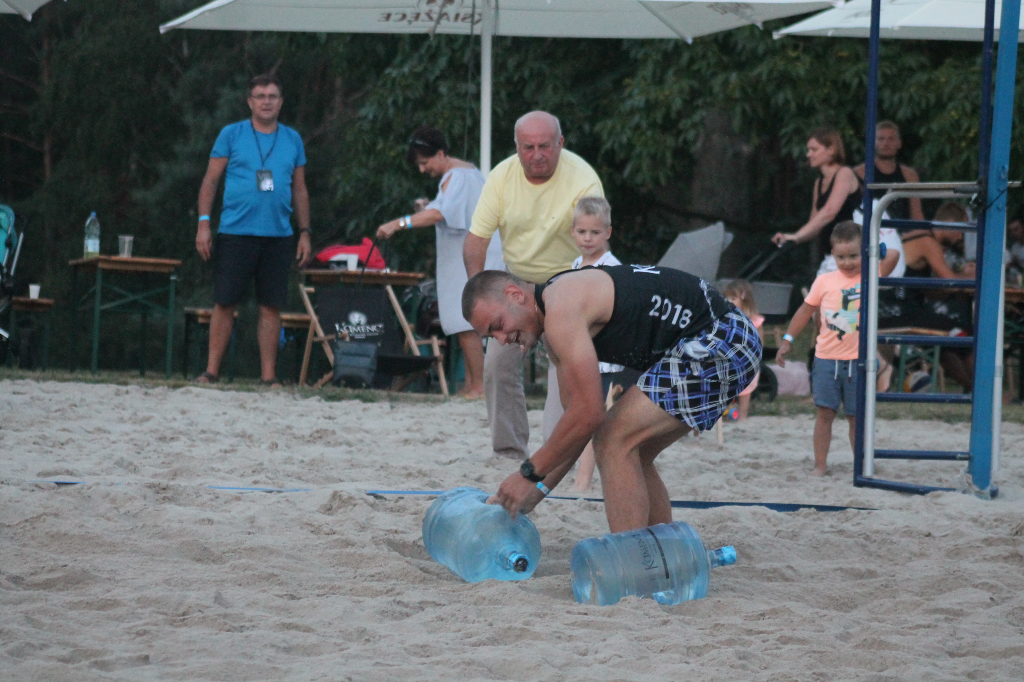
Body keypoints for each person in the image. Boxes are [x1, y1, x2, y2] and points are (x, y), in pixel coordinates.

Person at [463, 265, 762, 533]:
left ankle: (635, 565)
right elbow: (575, 430)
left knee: (613, 439)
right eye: (491, 337)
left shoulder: (562, 308)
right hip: (720, 336)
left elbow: (589, 415)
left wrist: (527, 474)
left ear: (515, 294)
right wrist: (531, 494)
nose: (501, 339)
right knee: (633, 450)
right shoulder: (554, 319)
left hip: (721, 336)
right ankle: (664, 553)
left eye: (497, 325)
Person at [463, 110, 604, 459]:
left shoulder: (584, 179)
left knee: (566, 366)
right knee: (497, 362)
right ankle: (508, 452)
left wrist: (581, 300)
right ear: (516, 146)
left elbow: (596, 242)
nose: (537, 155)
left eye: (545, 146)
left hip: (569, 282)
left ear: (561, 143)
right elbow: (476, 241)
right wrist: (479, 293)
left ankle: (558, 454)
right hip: (518, 284)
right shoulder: (501, 177)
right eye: (528, 147)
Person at [195, 73, 311, 387]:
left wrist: (304, 231)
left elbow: (300, 190)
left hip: (279, 235)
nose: (266, 101)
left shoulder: (292, 139)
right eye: (260, 96)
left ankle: (269, 376)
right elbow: (210, 180)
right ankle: (211, 371)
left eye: (272, 96)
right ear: (249, 101)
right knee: (225, 301)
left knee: (271, 305)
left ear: (281, 101)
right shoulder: (231, 134)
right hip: (235, 231)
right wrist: (204, 223)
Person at [375, 126, 503, 398]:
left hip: (466, 259)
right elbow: (445, 212)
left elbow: (439, 214)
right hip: (470, 256)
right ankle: (470, 384)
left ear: (441, 153)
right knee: (464, 321)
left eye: (425, 162)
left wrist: (399, 223)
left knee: (464, 321)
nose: (422, 170)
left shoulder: (456, 176)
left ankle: (478, 387)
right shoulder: (468, 173)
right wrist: (427, 210)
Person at [776, 221, 899, 476]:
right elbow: (805, 311)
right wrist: (788, 339)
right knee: (825, 414)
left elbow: (895, 255)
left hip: (858, 360)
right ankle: (820, 464)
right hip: (826, 360)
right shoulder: (824, 281)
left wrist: (874, 250)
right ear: (833, 255)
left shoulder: (870, 275)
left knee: (855, 418)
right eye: (841, 256)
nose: (847, 262)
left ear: (864, 251)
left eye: (854, 255)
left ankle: (860, 466)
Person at [566, 196, 623, 492]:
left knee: (590, 415)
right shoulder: (576, 264)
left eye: (595, 232)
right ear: (573, 231)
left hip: (602, 355)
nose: (588, 238)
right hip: (579, 351)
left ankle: (583, 481)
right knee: (579, 412)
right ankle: (579, 476)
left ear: (608, 233)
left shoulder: (612, 269)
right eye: (582, 232)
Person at [772, 128, 863, 274]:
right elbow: (815, 224)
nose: (809, 155)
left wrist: (796, 237)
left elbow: (829, 212)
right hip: (831, 256)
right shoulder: (819, 182)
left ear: (831, 150)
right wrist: (788, 238)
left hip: (851, 256)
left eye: (814, 149)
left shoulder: (844, 173)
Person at [854, 121, 925, 222]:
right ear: (873, 142)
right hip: (870, 231)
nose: (886, 143)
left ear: (899, 143)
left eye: (891, 139)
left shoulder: (909, 175)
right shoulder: (860, 173)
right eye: (881, 139)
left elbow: (916, 213)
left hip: (904, 233)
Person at [720, 280, 764, 420]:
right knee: (725, 387)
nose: (729, 301)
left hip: (747, 359)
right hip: (729, 357)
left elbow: (760, 340)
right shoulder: (725, 318)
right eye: (727, 298)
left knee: (746, 389)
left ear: (744, 299)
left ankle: (743, 415)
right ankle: (724, 414)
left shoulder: (753, 320)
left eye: (733, 298)